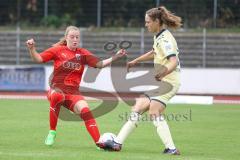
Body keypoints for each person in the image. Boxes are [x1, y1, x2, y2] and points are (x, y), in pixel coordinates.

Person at [26, 26, 126, 148]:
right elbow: (39, 58)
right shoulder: (57, 50)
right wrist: (32, 49)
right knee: (57, 95)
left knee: (86, 111)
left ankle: (99, 143)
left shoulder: (82, 53)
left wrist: (115, 57)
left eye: (77, 37)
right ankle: (52, 132)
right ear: (66, 37)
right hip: (56, 89)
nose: (75, 39)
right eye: (72, 37)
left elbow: (99, 64)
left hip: (73, 93)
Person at [103, 6, 182, 155]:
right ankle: (117, 143)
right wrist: (134, 62)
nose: (146, 25)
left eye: (148, 22)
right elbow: (154, 52)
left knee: (154, 111)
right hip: (162, 81)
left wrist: (163, 72)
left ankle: (171, 148)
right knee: (138, 107)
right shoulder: (159, 36)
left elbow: (173, 61)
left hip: (169, 82)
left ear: (157, 21)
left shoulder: (166, 39)